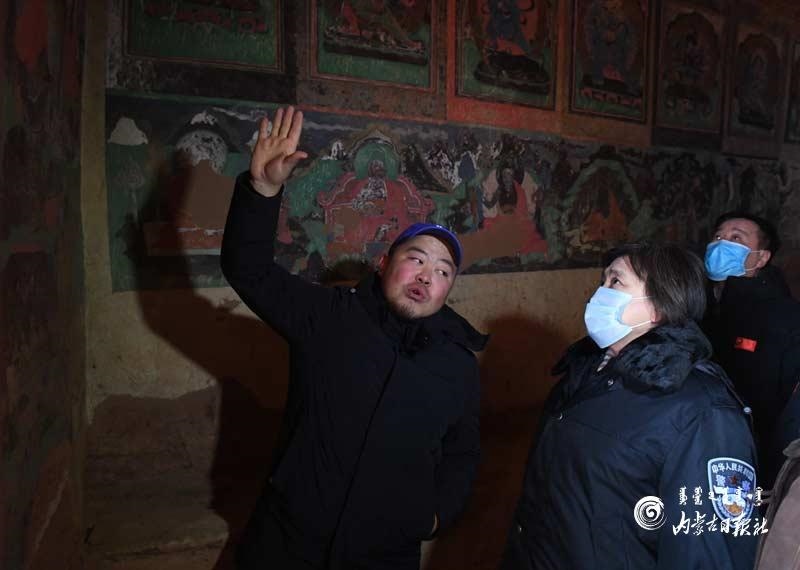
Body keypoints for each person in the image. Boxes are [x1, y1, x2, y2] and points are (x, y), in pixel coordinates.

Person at [220, 106, 487, 570]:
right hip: (289, 543)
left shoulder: (458, 366)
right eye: (416, 259)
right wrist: (262, 190)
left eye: (443, 272)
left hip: (384, 554)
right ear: (384, 264)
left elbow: (463, 452)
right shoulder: (330, 317)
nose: (427, 276)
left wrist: (437, 515)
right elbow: (250, 271)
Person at [502, 243, 758, 570]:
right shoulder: (583, 374)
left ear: (660, 307)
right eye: (602, 281)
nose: (599, 293)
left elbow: (708, 550)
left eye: (615, 282)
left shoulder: (702, 411)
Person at [702, 212, 800, 488]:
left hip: (753, 459)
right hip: (700, 446)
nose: (721, 244)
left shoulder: (785, 319)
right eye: (718, 236)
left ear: (761, 258)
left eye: (736, 238)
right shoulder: (696, 306)